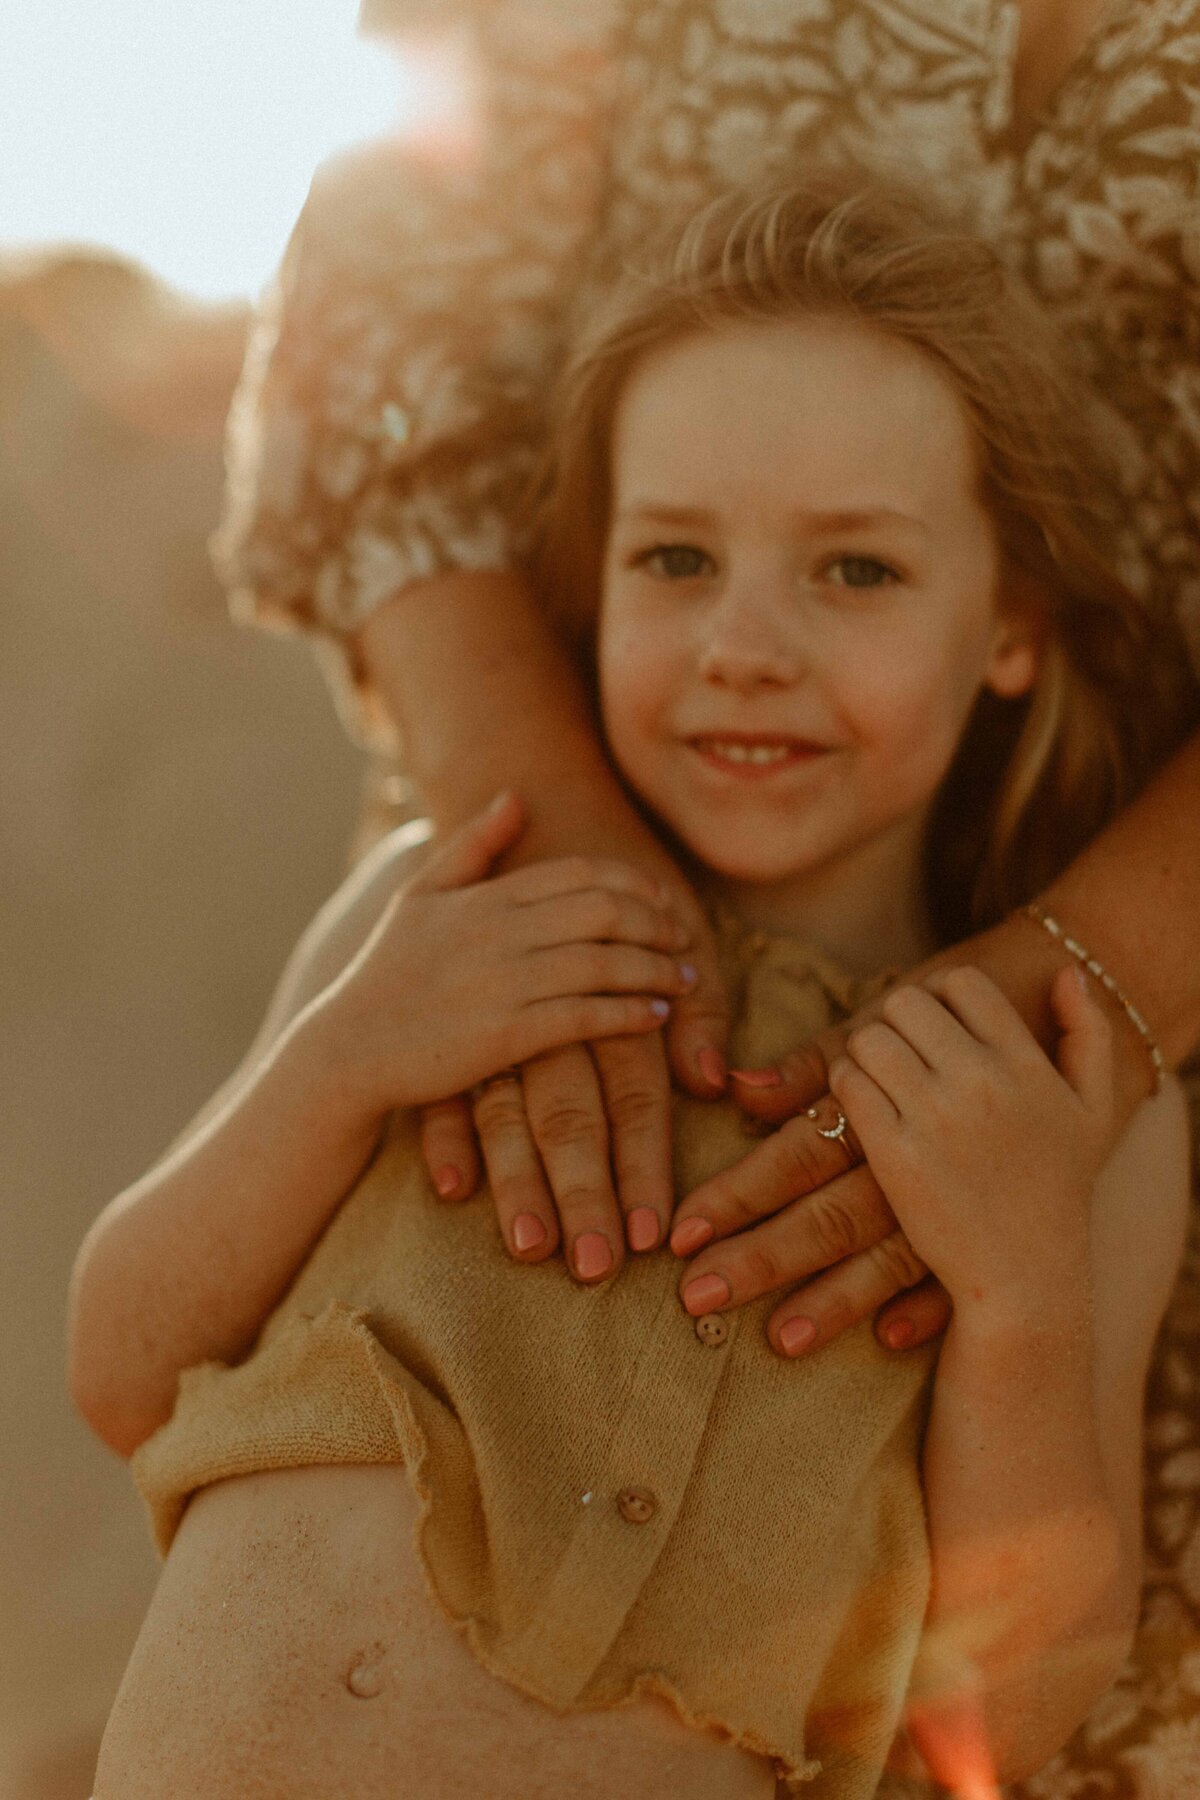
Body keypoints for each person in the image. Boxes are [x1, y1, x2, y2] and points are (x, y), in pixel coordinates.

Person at [73, 176, 1192, 1799]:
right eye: (676, 556)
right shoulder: (442, 912)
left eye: (857, 572)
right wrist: (344, 1065)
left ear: (1011, 621)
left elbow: (1011, 1719)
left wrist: (1018, 1301)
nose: (746, 643)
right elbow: (120, 1367)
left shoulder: (1070, 1091)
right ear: (586, 580)